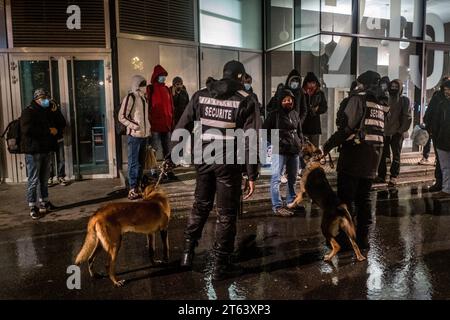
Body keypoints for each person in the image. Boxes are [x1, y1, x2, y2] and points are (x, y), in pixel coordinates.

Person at [168, 60, 260, 280]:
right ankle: (221, 265)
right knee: (226, 214)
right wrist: (252, 173)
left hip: (203, 158)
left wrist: (173, 154)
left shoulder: (200, 95)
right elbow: (251, 140)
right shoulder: (247, 100)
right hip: (228, 162)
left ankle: (187, 254)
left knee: (200, 206)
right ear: (240, 78)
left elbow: (182, 126)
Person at [323, 70, 387, 249]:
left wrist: (327, 146)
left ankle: (343, 239)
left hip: (354, 156)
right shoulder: (380, 104)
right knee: (364, 199)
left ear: (363, 84)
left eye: (359, 83)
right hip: (374, 157)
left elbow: (346, 128)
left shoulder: (358, 99)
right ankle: (363, 239)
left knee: (345, 199)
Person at [263, 89, 303, 216]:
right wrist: (277, 142)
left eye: (290, 100)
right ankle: (277, 205)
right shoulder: (274, 114)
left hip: (294, 150)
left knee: (292, 178)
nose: (288, 102)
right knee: (276, 178)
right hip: (279, 151)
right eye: (285, 100)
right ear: (280, 101)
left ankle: (291, 201)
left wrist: (300, 142)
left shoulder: (295, 114)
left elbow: (299, 131)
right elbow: (264, 132)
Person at [20, 89, 58, 219]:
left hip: (44, 150)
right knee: (33, 180)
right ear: (37, 99)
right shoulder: (28, 111)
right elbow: (26, 129)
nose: (45, 100)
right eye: (43, 98)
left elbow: (58, 122)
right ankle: (32, 206)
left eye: (46, 97)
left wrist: (54, 110)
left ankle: (44, 202)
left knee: (44, 179)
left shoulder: (45, 111)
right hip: (33, 151)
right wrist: (47, 131)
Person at [119, 75, 151, 200]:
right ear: (137, 85)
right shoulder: (130, 97)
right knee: (133, 163)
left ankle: (137, 186)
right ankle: (132, 188)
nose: (144, 86)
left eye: (145, 83)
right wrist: (134, 126)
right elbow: (121, 116)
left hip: (144, 135)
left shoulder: (144, 98)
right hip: (135, 135)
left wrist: (148, 129)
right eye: (142, 84)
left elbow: (145, 117)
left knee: (141, 163)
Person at [375, 79, 412, 186]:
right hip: (384, 131)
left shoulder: (404, 100)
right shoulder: (385, 98)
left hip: (397, 132)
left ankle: (393, 177)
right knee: (382, 155)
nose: (394, 88)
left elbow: (407, 116)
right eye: (392, 86)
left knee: (396, 155)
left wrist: (401, 130)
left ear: (400, 88)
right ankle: (381, 176)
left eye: (396, 87)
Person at [147, 65, 176, 180]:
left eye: (164, 76)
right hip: (155, 125)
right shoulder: (151, 89)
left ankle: (168, 170)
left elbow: (171, 107)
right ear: (156, 76)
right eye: (161, 76)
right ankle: (153, 170)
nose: (163, 78)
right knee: (154, 149)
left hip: (166, 125)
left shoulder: (167, 89)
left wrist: (172, 122)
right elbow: (148, 107)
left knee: (168, 150)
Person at [423, 76, 449, 192]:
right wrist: (429, 127)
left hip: (443, 133)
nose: (447, 91)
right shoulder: (438, 97)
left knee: (443, 162)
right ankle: (440, 183)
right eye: (446, 88)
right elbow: (430, 113)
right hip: (438, 133)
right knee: (441, 161)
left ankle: (444, 186)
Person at [430, 80, 450, 197]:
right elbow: (436, 120)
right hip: (442, 139)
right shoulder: (442, 103)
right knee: (445, 167)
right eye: (446, 89)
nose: (446, 91)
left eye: (448, 89)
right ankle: (446, 189)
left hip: (443, 139)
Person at [300, 72, 328, 148]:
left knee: (314, 150)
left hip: (315, 126)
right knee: (304, 150)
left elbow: (324, 108)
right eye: (309, 83)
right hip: (303, 125)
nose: (312, 85)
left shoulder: (320, 94)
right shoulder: (302, 93)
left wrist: (317, 109)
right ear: (306, 83)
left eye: (313, 83)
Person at [47, 100, 67, 186]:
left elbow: (63, 123)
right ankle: (49, 177)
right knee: (49, 160)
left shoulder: (57, 113)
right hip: (49, 140)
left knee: (61, 159)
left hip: (58, 139)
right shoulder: (44, 113)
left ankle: (60, 176)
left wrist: (56, 112)